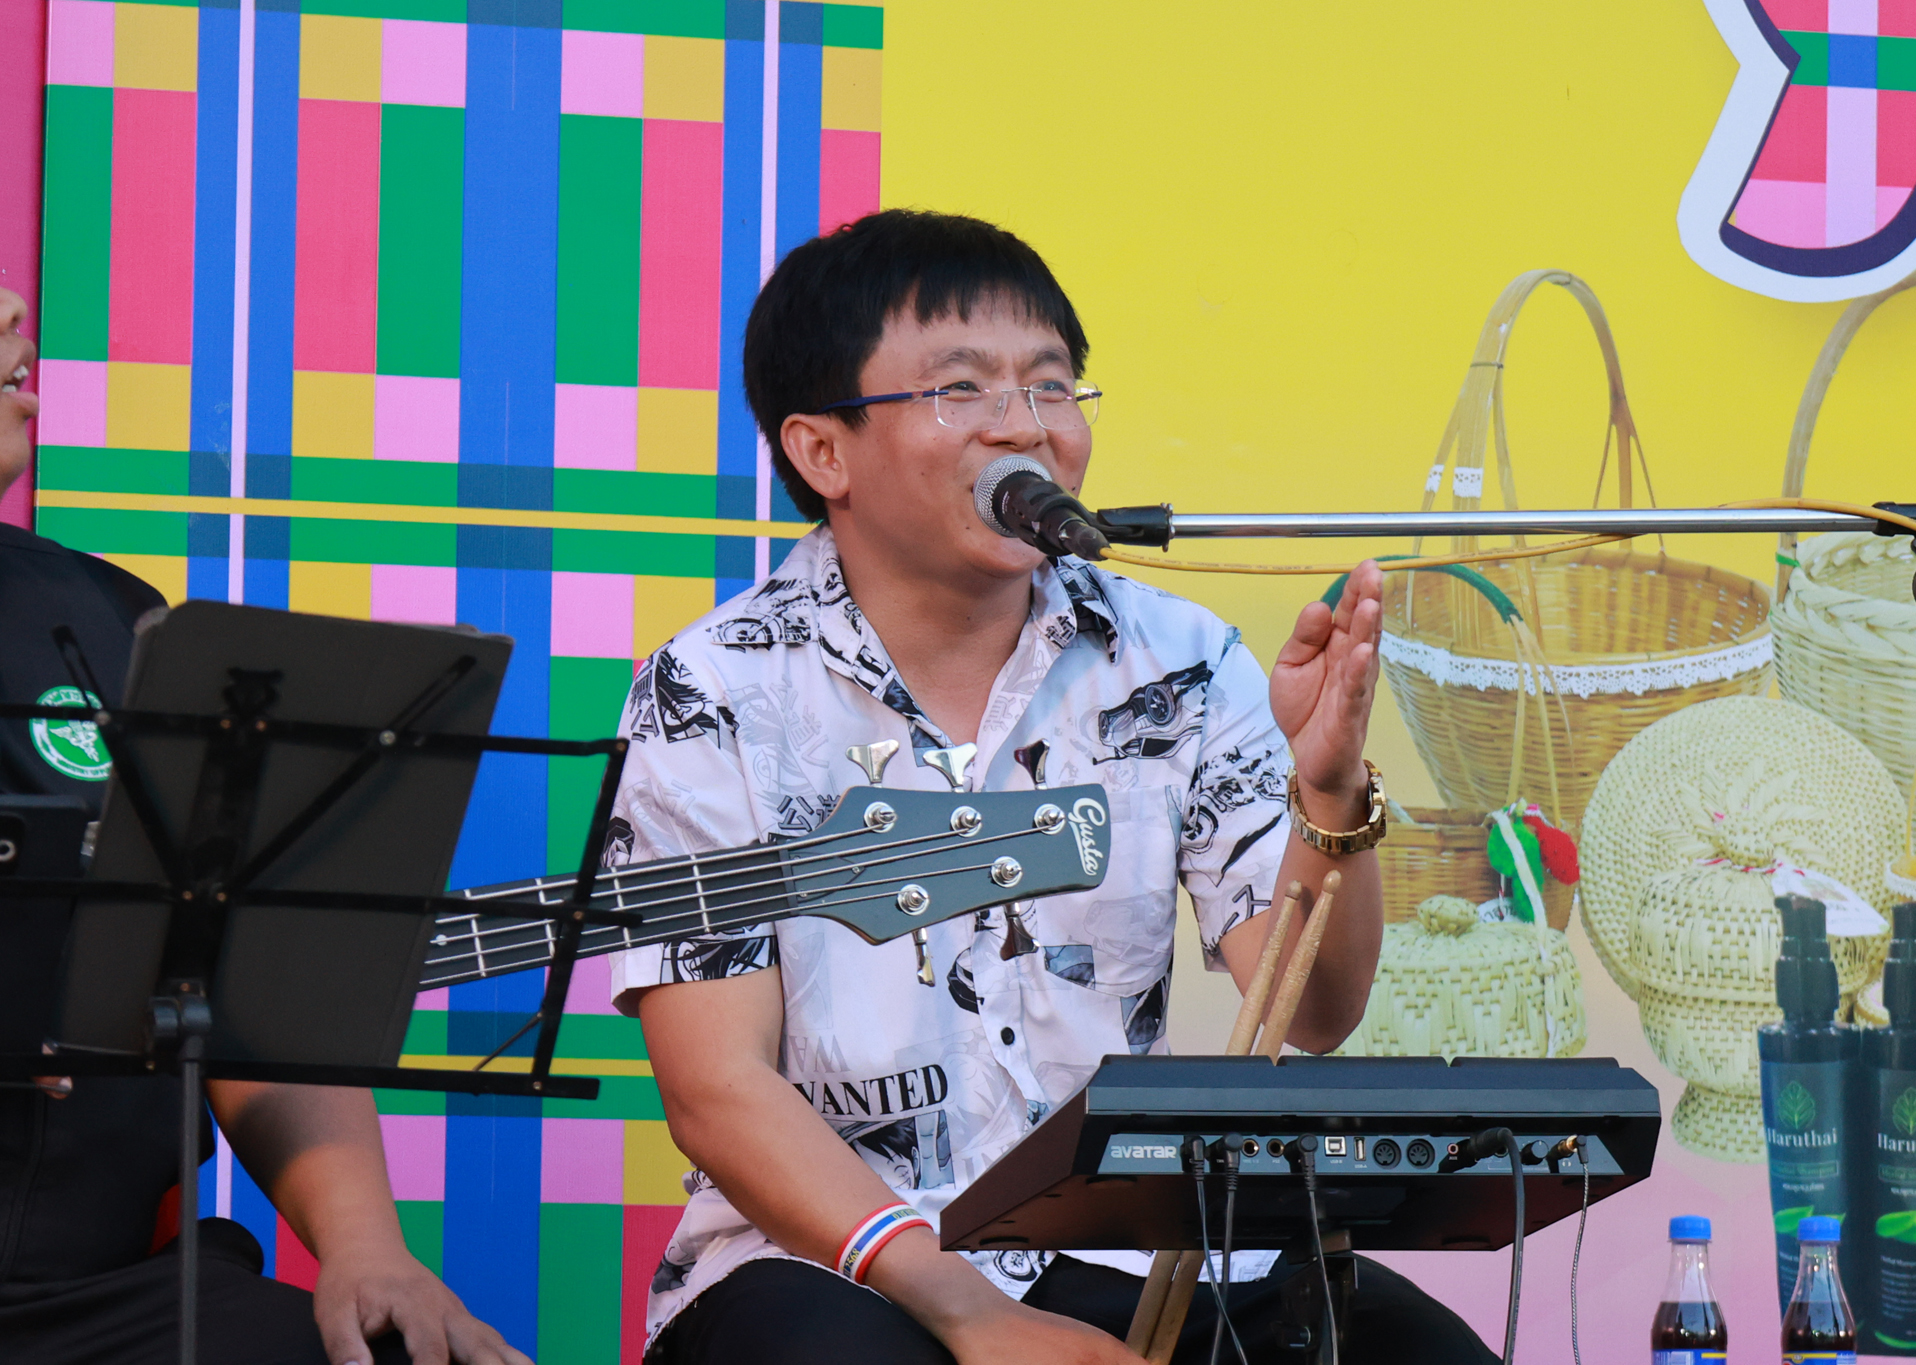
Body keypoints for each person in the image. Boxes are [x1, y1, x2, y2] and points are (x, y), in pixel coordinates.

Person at [608, 212, 1496, 1364]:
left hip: (1136, 1249)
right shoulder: (714, 690)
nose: (1025, 427)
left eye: (1049, 385)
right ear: (823, 452)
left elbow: (1311, 1012)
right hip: (826, 1265)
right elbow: (715, 1087)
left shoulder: (1177, 660)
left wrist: (1327, 795)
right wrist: (973, 1314)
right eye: (961, 389)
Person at [0, 286, 531, 1365]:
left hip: (102, 1290)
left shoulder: (102, 617)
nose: (14, 306)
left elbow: (238, 979)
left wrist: (366, 1247)